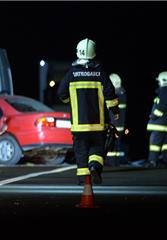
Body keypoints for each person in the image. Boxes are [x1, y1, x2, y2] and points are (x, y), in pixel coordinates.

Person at [57, 38, 119, 185]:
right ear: (93, 53)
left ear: (78, 52)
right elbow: (110, 94)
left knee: (81, 151)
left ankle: (84, 180)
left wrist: (72, 101)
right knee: (97, 149)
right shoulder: (100, 72)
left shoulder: (71, 73)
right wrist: (114, 110)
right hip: (98, 124)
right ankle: (94, 167)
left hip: (79, 125)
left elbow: (61, 94)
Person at [144, 71, 167, 168]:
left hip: (159, 124)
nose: (158, 83)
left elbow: (162, 107)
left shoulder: (164, 91)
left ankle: (152, 161)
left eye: (159, 81)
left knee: (154, 143)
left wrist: (153, 116)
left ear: (164, 81)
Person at [106, 73, 128, 166]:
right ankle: (115, 162)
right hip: (120, 125)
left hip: (114, 125)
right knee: (116, 145)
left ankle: (111, 162)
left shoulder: (115, 95)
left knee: (112, 145)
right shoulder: (122, 93)